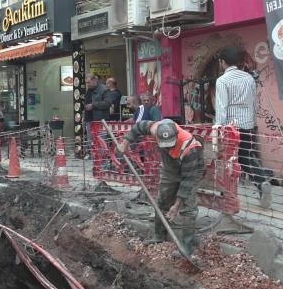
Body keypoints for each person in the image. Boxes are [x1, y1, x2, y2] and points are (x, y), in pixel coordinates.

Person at [115, 119, 203, 256]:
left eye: (170, 145)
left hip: (191, 169)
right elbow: (138, 127)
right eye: (165, 146)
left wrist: (176, 205)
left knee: (188, 208)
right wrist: (124, 144)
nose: (167, 148)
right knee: (162, 201)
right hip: (170, 168)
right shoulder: (155, 129)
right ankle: (159, 236)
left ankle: (187, 246)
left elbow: (187, 182)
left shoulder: (189, 148)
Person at [214, 46, 271, 208]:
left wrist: (219, 129)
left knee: (226, 159)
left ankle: (227, 195)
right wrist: (252, 125)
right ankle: (261, 182)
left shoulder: (222, 81)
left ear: (222, 62)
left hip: (231, 127)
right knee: (245, 157)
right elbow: (254, 103)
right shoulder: (248, 78)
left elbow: (222, 107)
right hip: (248, 125)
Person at [84, 75, 109, 157]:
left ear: (94, 80)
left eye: (89, 82)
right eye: (86, 82)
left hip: (100, 120)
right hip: (89, 120)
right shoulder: (88, 90)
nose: (87, 84)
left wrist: (94, 105)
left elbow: (107, 103)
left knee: (101, 141)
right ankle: (94, 159)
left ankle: (102, 160)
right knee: (90, 141)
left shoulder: (104, 89)